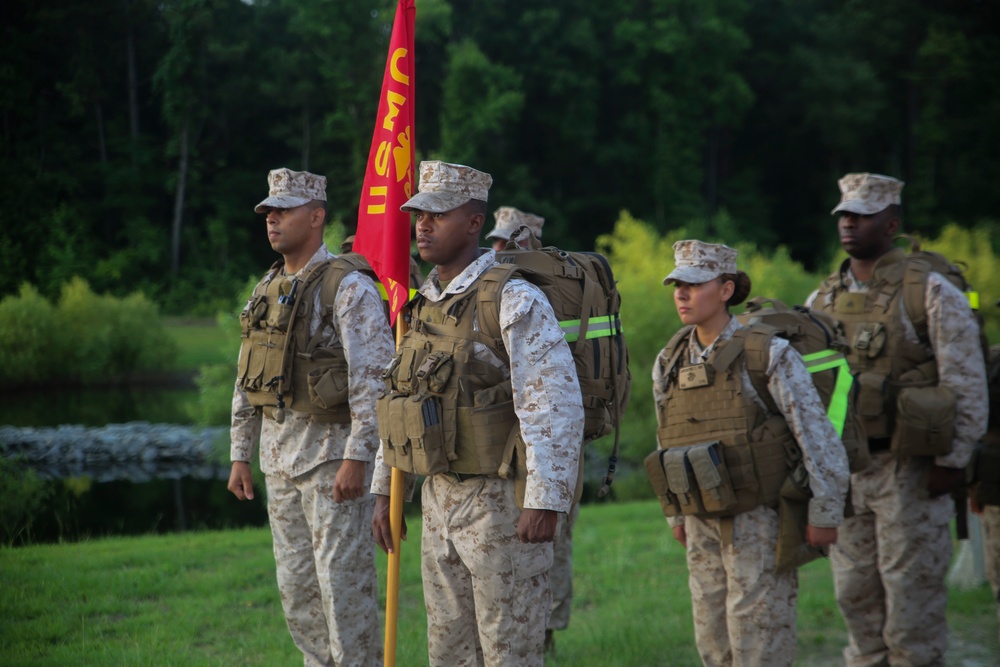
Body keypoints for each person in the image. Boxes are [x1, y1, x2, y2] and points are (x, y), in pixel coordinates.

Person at [370, 161, 584, 667]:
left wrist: (546, 500)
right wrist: (385, 487)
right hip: (439, 497)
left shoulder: (511, 298)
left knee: (508, 652)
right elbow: (399, 402)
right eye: (419, 213)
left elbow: (553, 405)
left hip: (502, 504)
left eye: (438, 214)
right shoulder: (422, 305)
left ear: (473, 223)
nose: (423, 224)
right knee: (448, 653)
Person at [807, 172, 988, 666]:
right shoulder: (820, 301)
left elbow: (966, 383)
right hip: (850, 472)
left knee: (912, 610)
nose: (849, 224)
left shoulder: (928, 292)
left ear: (891, 223)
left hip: (910, 471)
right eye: (844, 215)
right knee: (856, 602)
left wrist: (952, 461)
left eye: (862, 216)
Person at [651, 239, 849, 666]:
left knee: (760, 644)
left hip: (759, 519)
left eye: (694, 284)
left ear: (725, 289)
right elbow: (667, 438)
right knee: (713, 644)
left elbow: (816, 435)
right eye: (676, 285)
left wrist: (825, 512)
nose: (681, 294)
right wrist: (677, 514)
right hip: (701, 518)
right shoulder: (668, 358)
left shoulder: (768, 352)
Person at [227, 167, 393, 667]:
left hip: (331, 466)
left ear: (317, 216)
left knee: (344, 597)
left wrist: (358, 458)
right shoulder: (268, 286)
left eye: (284, 209)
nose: (272, 219)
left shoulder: (347, 287)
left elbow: (376, 381)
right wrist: (240, 453)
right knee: (298, 597)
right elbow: (247, 374)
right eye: (268, 211)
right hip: (279, 464)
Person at [486, 204, 576, 653]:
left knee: (551, 543)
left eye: (509, 240)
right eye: (496, 240)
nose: (500, 248)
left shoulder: (544, 289)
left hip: (552, 443)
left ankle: (548, 628)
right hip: (505, 445)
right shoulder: (491, 288)